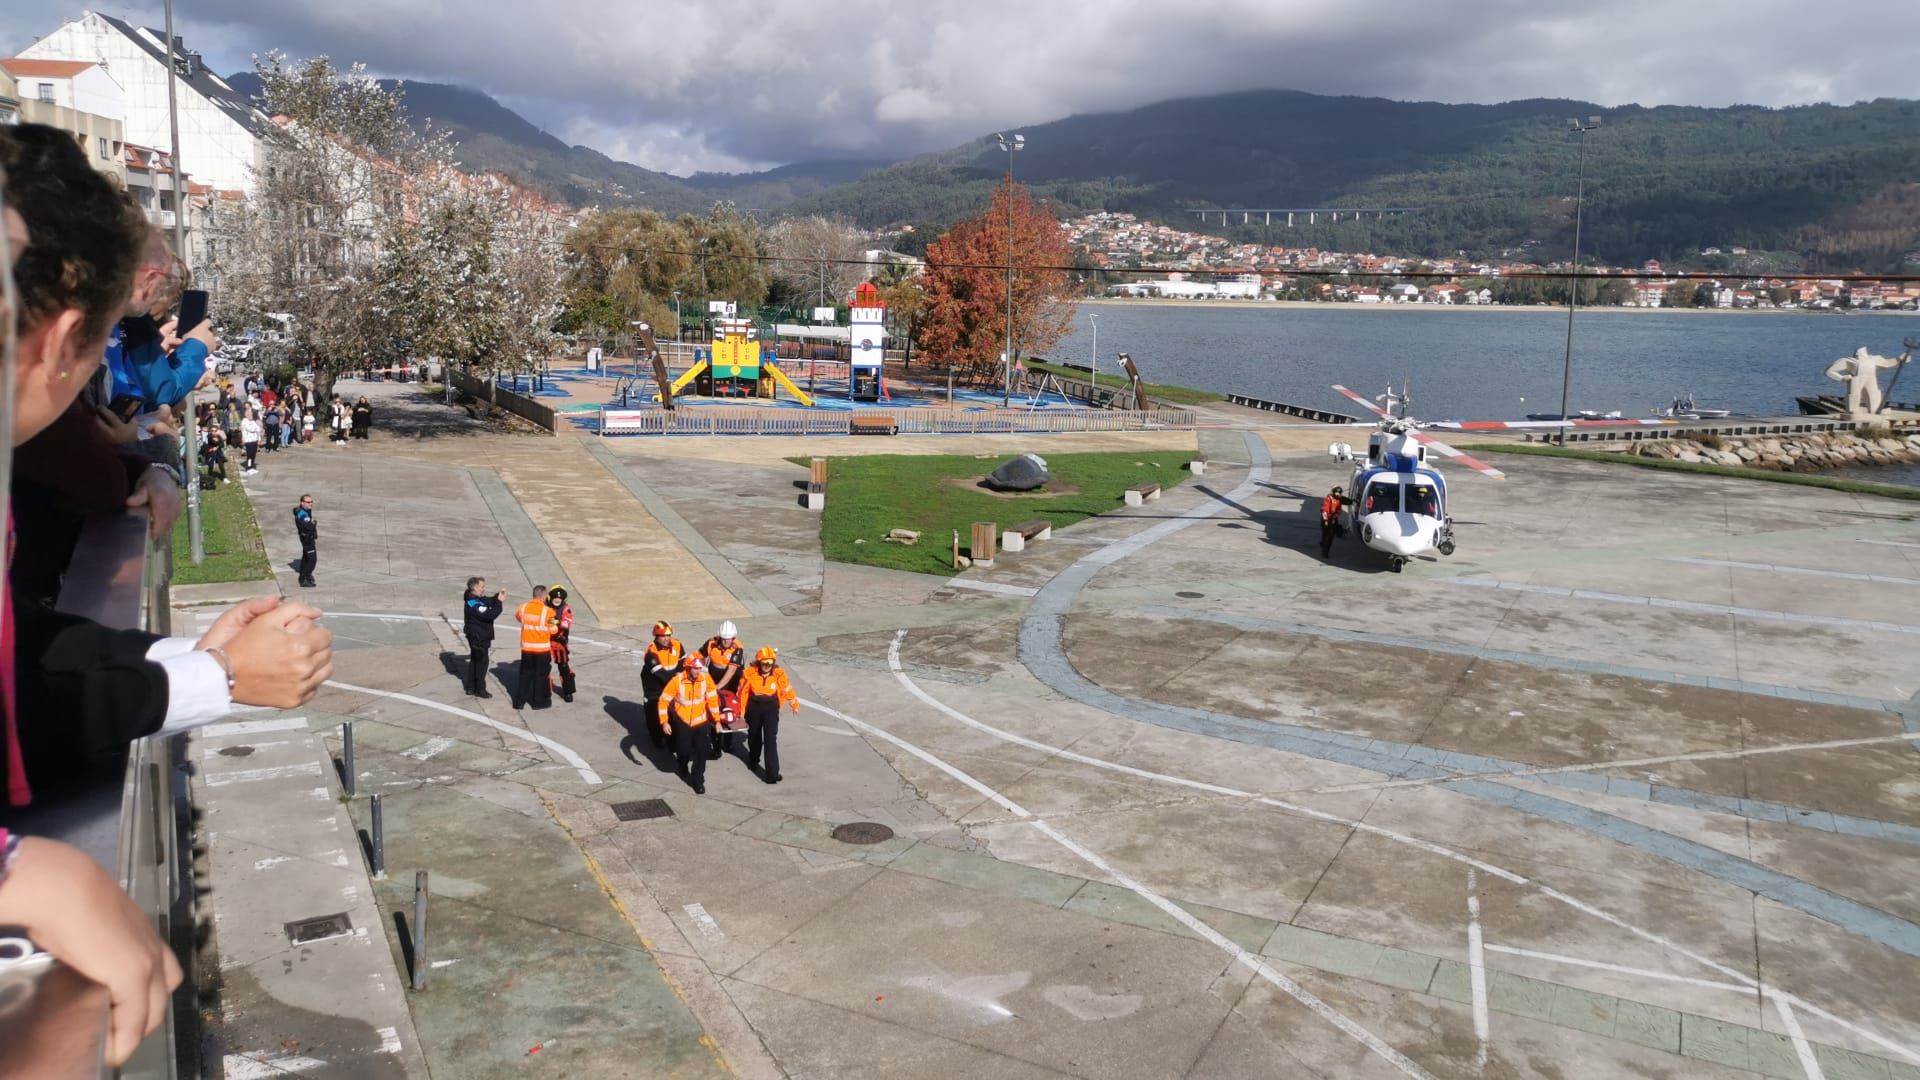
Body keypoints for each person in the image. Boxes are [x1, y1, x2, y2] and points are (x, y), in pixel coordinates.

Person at [658, 655, 720, 794]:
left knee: (701, 752)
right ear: (687, 668)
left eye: (700, 668)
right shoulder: (677, 681)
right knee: (683, 750)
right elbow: (663, 701)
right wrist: (664, 722)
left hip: (701, 721)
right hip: (683, 722)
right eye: (695, 668)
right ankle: (682, 763)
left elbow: (713, 700)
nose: (698, 671)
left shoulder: (705, 679)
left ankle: (698, 780)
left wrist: (717, 720)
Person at [737, 646, 799, 783]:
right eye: (764, 663)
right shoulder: (749, 673)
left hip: (771, 707)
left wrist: (794, 703)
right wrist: (740, 712)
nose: (767, 666)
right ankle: (753, 760)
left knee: (770, 739)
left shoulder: (779, 674)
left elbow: (787, 688)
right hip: (753, 707)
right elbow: (742, 692)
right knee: (754, 736)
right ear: (758, 662)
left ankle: (772, 773)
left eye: (770, 664)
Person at [701, 621, 744, 758]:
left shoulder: (738, 648)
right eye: (724, 638)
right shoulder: (711, 643)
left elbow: (731, 671)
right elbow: (699, 656)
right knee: (715, 712)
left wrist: (716, 688)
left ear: (733, 637)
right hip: (714, 677)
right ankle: (716, 746)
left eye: (729, 638)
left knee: (730, 710)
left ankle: (728, 742)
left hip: (730, 681)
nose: (726, 642)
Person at [641, 621, 684, 748]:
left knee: (672, 714)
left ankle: (671, 738)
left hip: (670, 684)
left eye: (668, 635)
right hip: (654, 688)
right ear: (656, 636)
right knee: (653, 714)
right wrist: (678, 684)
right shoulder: (651, 653)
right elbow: (662, 675)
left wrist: (680, 674)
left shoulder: (677, 645)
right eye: (663, 636)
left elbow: (683, 662)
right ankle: (656, 737)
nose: (666, 638)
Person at [461, 577, 504, 697]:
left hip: (476, 635)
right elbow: (490, 614)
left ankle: (471, 686)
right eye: (482, 587)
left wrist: (496, 597)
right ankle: (480, 688)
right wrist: (499, 603)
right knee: (482, 662)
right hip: (478, 636)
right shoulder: (472, 602)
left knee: (475, 659)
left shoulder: (474, 597)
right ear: (474, 588)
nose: (483, 589)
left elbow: (487, 600)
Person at [513, 586, 555, 710]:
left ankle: (519, 702)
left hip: (526, 649)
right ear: (544, 596)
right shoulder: (548, 611)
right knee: (540, 676)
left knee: (525, 675)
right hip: (542, 650)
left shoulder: (523, 608)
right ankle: (538, 702)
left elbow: (519, 617)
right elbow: (553, 630)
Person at [547, 586, 576, 703]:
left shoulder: (566, 609)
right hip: (546, 641)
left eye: (560, 598)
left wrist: (556, 621)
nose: (557, 600)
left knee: (563, 667)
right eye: (555, 598)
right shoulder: (546, 607)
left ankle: (568, 691)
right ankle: (546, 690)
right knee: (544, 667)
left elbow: (566, 624)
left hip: (560, 642)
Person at [292, 494, 318, 588]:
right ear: (302, 503)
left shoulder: (306, 510)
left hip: (307, 537)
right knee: (312, 559)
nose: (310, 504)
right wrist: (314, 523)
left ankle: (304, 576)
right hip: (307, 539)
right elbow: (309, 526)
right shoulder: (302, 514)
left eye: (311, 502)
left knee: (306, 557)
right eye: (308, 502)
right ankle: (305, 578)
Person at [1319, 485, 1350, 559]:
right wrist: (1326, 519)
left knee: (1330, 537)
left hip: (1333, 519)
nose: (1338, 495)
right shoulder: (1329, 499)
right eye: (1336, 493)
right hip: (1326, 519)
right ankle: (1323, 544)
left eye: (1339, 493)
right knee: (1325, 533)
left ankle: (1325, 551)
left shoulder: (1340, 499)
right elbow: (1324, 509)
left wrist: (1354, 501)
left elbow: (1347, 502)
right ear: (1333, 492)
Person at [239, 409, 262, 474]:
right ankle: (248, 468)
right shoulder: (244, 421)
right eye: (249, 414)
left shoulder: (253, 421)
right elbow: (250, 429)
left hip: (254, 440)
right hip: (248, 441)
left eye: (251, 414)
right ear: (246, 415)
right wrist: (255, 429)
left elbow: (259, 429)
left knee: (253, 455)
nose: (251, 415)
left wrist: (259, 439)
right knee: (249, 455)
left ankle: (252, 467)